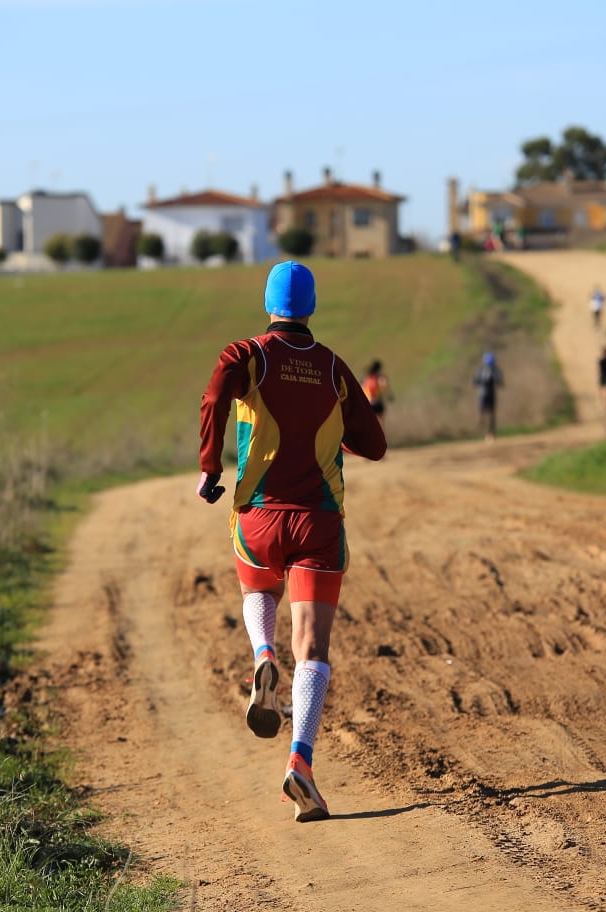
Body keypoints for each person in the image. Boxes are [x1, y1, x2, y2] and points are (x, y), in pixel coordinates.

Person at [197, 261, 387, 822]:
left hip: (258, 516)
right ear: (311, 308)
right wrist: (329, 432)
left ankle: (261, 656)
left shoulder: (245, 355)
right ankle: (300, 763)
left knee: (257, 589)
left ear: (268, 304)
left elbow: (212, 402)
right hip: (319, 523)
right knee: (315, 651)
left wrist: (211, 468)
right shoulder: (332, 368)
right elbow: (373, 444)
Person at [473, 351, 503, 441]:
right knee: (488, 413)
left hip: (487, 394)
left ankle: (489, 432)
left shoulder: (493, 370)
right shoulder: (483, 370)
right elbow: (475, 381)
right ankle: (487, 431)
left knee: (489, 413)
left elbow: (475, 382)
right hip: (485, 394)